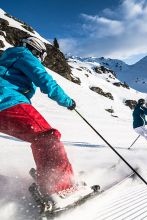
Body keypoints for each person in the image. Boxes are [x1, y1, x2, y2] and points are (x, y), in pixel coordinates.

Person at [0, 36, 85, 208]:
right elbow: (44, 80)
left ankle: (48, 176)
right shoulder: (23, 54)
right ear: (35, 50)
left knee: (40, 138)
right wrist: (67, 101)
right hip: (7, 102)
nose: (40, 60)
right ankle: (61, 188)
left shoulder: (6, 61)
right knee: (47, 137)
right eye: (40, 57)